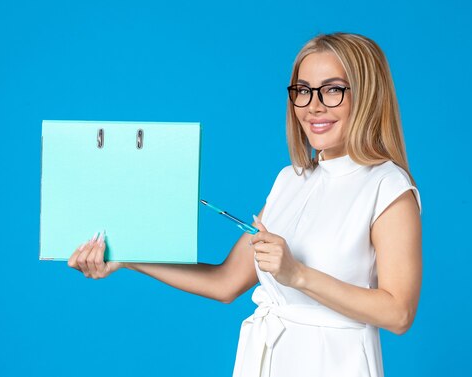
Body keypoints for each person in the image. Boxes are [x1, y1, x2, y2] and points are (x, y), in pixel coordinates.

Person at [68, 32, 422, 377]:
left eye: (332, 89)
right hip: (267, 360)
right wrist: (128, 257)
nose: (313, 106)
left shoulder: (387, 186)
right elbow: (225, 283)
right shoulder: (291, 180)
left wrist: (297, 274)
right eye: (302, 91)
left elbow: (398, 312)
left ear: (367, 96)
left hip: (334, 363)